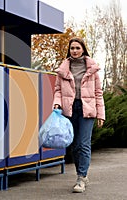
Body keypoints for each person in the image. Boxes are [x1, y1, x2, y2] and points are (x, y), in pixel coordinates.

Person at [53, 37, 105, 193]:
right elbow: (58, 90)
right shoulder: (63, 69)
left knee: (83, 144)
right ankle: (81, 174)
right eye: (72, 48)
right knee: (75, 146)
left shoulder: (92, 69)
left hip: (87, 109)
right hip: (70, 109)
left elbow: (98, 92)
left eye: (77, 48)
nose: (74, 51)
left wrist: (100, 114)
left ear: (83, 49)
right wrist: (57, 103)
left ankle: (81, 178)